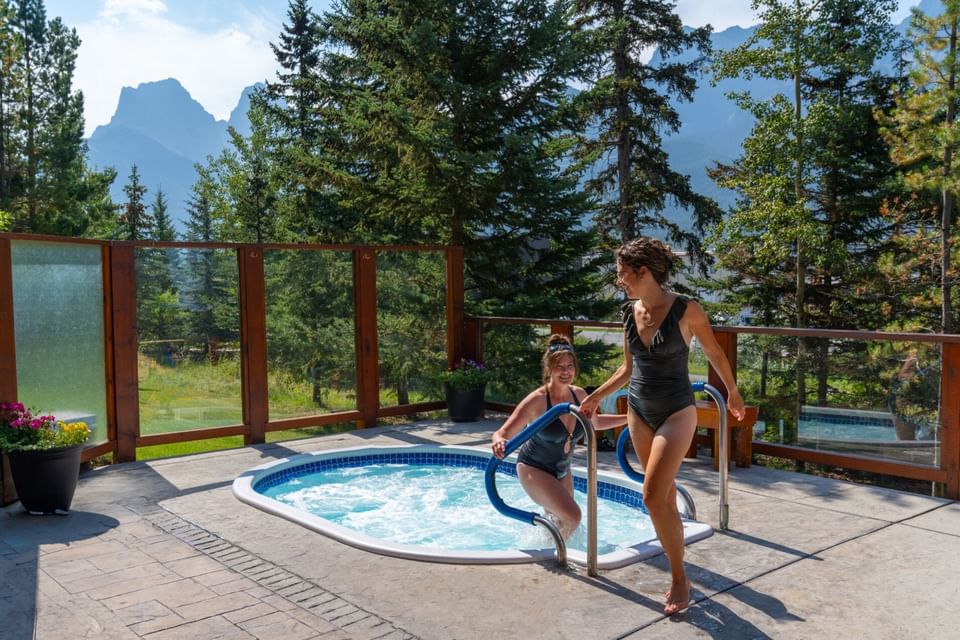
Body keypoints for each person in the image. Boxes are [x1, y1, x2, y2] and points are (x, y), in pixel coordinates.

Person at [579, 238, 745, 616]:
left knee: (652, 497)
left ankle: (678, 577)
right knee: (664, 497)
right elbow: (628, 369)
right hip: (639, 411)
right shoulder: (628, 312)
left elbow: (715, 352)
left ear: (644, 272)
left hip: (676, 411)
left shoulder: (687, 310)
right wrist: (594, 396)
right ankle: (679, 569)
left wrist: (732, 393)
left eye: (624, 274)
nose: (620, 280)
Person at [491, 334, 627, 539]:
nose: (566, 372)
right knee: (573, 516)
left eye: (570, 366)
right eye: (559, 367)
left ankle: (549, 550)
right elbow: (502, 433)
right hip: (533, 469)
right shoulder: (537, 400)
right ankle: (553, 554)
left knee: (562, 521)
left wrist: (629, 418)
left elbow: (597, 423)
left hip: (562, 469)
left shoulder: (579, 395)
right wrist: (499, 442)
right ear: (549, 369)